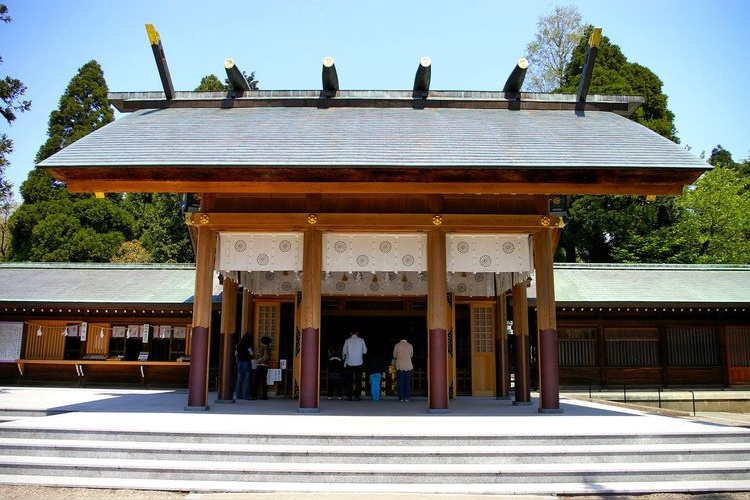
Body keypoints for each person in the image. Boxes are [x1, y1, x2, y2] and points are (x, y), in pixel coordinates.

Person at [342, 331, 367, 401]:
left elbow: (344, 351)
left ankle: (349, 396)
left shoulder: (347, 341)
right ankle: (357, 396)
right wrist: (359, 352)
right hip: (359, 362)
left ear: (350, 333)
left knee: (349, 380)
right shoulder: (361, 340)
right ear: (357, 333)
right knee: (358, 380)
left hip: (349, 363)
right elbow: (365, 351)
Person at [393, 337, 414, 402]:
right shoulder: (410, 345)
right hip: (408, 366)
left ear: (400, 339)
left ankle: (401, 398)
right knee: (407, 382)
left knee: (400, 382)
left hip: (400, 366)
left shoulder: (397, 345)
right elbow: (411, 355)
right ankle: (407, 397)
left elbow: (394, 355)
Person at [251, 336, 271, 400]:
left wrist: (258, 360)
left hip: (260, 366)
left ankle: (254, 395)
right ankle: (264, 395)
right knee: (263, 381)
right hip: (265, 366)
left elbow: (263, 356)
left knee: (255, 381)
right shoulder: (268, 348)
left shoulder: (263, 347)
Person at [234, 333, 254, 400]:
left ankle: (238, 396)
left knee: (239, 380)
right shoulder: (248, 345)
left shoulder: (238, 345)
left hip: (240, 363)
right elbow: (251, 353)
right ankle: (246, 395)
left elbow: (235, 354)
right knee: (247, 380)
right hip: (246, 362)